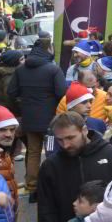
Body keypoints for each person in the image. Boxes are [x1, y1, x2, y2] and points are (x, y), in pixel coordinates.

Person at [37, 112, 112, 222]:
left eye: (70, 138)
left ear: (84, 130)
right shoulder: (50, 166)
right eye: (60, 140)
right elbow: (46, 210)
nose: (65, 145)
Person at [7, 34, 67, 195]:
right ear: (48, 50)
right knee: (51, 151)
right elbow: (62, 92)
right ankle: (53, 182)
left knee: (33, 152)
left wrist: (24, 101)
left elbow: (11, 91)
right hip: (50, 120)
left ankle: (31, 184)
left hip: (29, 118)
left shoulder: (21, 69)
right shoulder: (53, 69)